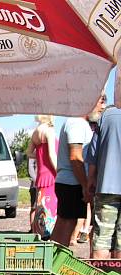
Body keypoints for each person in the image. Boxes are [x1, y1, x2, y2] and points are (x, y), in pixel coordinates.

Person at [50, 94, 106, 247]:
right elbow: (75, 157)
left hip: (69, 182)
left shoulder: (77, 122)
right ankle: (56, 264)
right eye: (101, 101)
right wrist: (84, 185)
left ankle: (51, 263)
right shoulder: (76, 123)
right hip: (72, 184)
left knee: (64, 222)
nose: (102, 107)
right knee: (67, 224)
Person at [86, 105, 121, 259]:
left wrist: (91, 179)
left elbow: (93, 155)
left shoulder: (106, 116)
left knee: (102, 238)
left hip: (106, 185)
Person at [26, 115, 58, 238]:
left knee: (41, 207)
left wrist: (40, 157)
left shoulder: (36, 132)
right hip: (51, 174)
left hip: (41, 175)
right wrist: (58, 171)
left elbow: (28, 153)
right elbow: (52, 155)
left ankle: (38, 234)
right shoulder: (49, 131)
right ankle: (48, 236)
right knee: (50, 209)